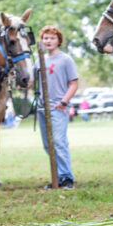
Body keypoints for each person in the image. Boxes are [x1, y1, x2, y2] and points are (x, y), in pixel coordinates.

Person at [36, 26, 79, 189]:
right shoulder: (38, 59)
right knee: (48, 144)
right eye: (45, 38)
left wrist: (64, 102)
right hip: (42, 107)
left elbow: (74, 84)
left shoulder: (65, 59)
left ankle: (67, 178)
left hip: (58, 107)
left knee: (59, 142)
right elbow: (31, 81)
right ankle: (58, 176)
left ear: (58, 41)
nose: (48, 41)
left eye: (52, 38)